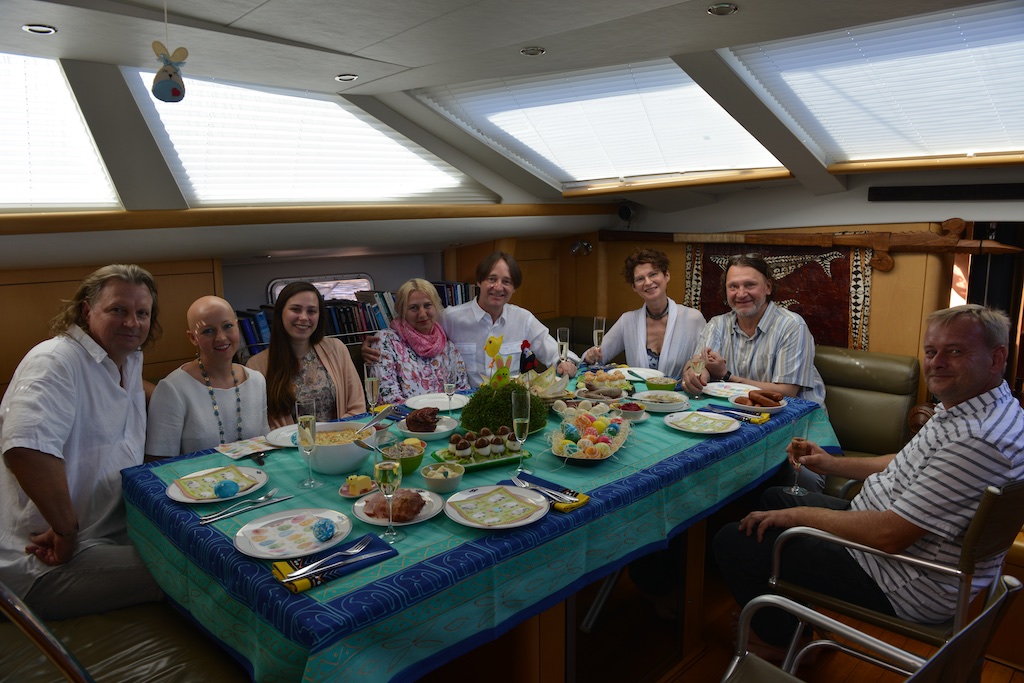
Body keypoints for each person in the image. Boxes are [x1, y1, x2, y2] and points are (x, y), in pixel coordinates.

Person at [713, 305, 1024, 650]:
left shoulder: (978, 440)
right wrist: (831, 465)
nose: (936, 363)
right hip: (887, 541)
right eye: (931, 351)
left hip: (900, 578)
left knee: (733, 540)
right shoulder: (981, 407)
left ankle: (783, 643)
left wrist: (795, 517)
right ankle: (794, 622)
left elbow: (889, 535)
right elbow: (906, 461)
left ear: (997, 358)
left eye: (955, 351)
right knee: (775, 498)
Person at [0, 264, 165, 619]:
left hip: (108, 534)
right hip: (43, 560)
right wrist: (66, 531)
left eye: (142, 313)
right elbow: (26, 449)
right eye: (117, 309)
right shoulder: (54, 361)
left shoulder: (127, 362)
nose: (132, 322)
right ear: (87, 310)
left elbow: (134, 397)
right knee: (193, 569)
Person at [362, 252, 576, 387]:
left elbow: (556, 353)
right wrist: (372, 346)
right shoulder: (450, 318)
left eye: (506, 281)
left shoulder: (523, 318)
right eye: (492, 279)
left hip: (509, 403)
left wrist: (565, 363)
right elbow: (416, 331)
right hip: (468, 405)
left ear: (514, 288)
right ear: (479, 282)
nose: (498, 287)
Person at [681, 253, 826, 405]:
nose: (741, 294)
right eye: (733, 286)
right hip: (740, 409)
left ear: (768, 287)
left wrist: (727, 376)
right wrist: (697, 376)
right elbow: (696, 363)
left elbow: (786, 392)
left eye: (750, 285)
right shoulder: (717, 324)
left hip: (794, 412)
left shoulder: (792, 326)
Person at [146, 296, 270, 457]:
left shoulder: (256, 380)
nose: (221, 337)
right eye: (208, 331)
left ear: (237, 327)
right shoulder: (172, 389)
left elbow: (264, 445)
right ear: (193, 338)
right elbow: (159, 462)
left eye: (228, 326)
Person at [247, 282, 364, 428]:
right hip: (287, 442)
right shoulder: (256, 366)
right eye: (295, 309)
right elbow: (262, 425)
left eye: (311, 311)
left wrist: (328, 436)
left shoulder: (336, 349)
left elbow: (357, 409)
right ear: (280, 313)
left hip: (339, 437)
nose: (303, 317)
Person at [581, 248, 705, 377]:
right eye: (640, 279)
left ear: (666, 276)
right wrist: (590, 357)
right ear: (634, 287)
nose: (648, 282)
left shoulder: (693, 318)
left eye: (653, 274)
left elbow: (705, 364)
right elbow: (596, 355)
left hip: (680, 390)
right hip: (637, 390)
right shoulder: (627, 321)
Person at [374, 279, 470, 403]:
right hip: (405, 415)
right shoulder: (386, 341)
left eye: (427, 305)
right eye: (413, 308)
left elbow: (463, 391)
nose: (422, 314)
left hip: (447, 413)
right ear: (402, 311)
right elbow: (387, 398)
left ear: (436, 306)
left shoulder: (448, 346)